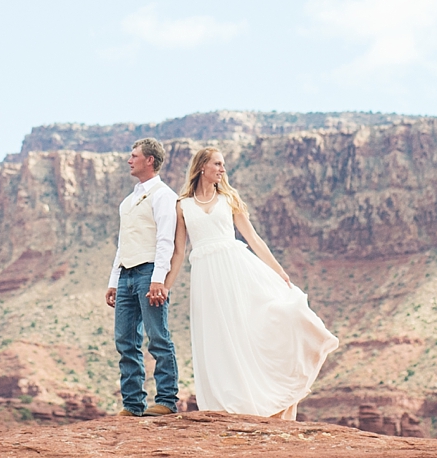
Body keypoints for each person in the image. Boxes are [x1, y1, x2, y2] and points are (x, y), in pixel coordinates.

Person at [155, 144, 337, 419]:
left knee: (253, 326)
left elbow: (253, 239)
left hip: (236, 270)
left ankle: (264, 396)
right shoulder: (183, 206)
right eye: (217, 163)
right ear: (202, 166)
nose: (222, 169)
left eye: (223, 164)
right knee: (217, 337)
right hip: (206, 277)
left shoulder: (229, 199)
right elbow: (179, 252)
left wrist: (279, 271)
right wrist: (166, 285)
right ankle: (227, 402)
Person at [102, 137, 180, 417]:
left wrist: (159, 279)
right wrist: (114, 281)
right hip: (126, 275)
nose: (129, 159)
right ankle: (133, 404)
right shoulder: (128, 201)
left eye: (134, 155)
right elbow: (123, 244)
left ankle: (167, 401)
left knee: (158, 336)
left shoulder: (163, 196)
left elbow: (165, 241)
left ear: (150, 160)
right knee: (125, 341)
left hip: (149, 272)